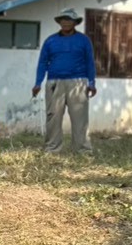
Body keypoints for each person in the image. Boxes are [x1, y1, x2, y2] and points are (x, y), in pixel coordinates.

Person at [31, 8, 96, 153]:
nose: (66, 22)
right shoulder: (51, 41)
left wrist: (91, 83)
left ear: (75, 22)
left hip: (78, 82)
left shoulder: (83, 40)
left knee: (80, 117)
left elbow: (90, 62)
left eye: (69, 19)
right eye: (63, 19)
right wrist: (38, 83)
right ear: (59, 22)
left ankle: (82, 149)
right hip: (55, 82)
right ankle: (52, 148)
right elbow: (42, 63)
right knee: (53, 117)